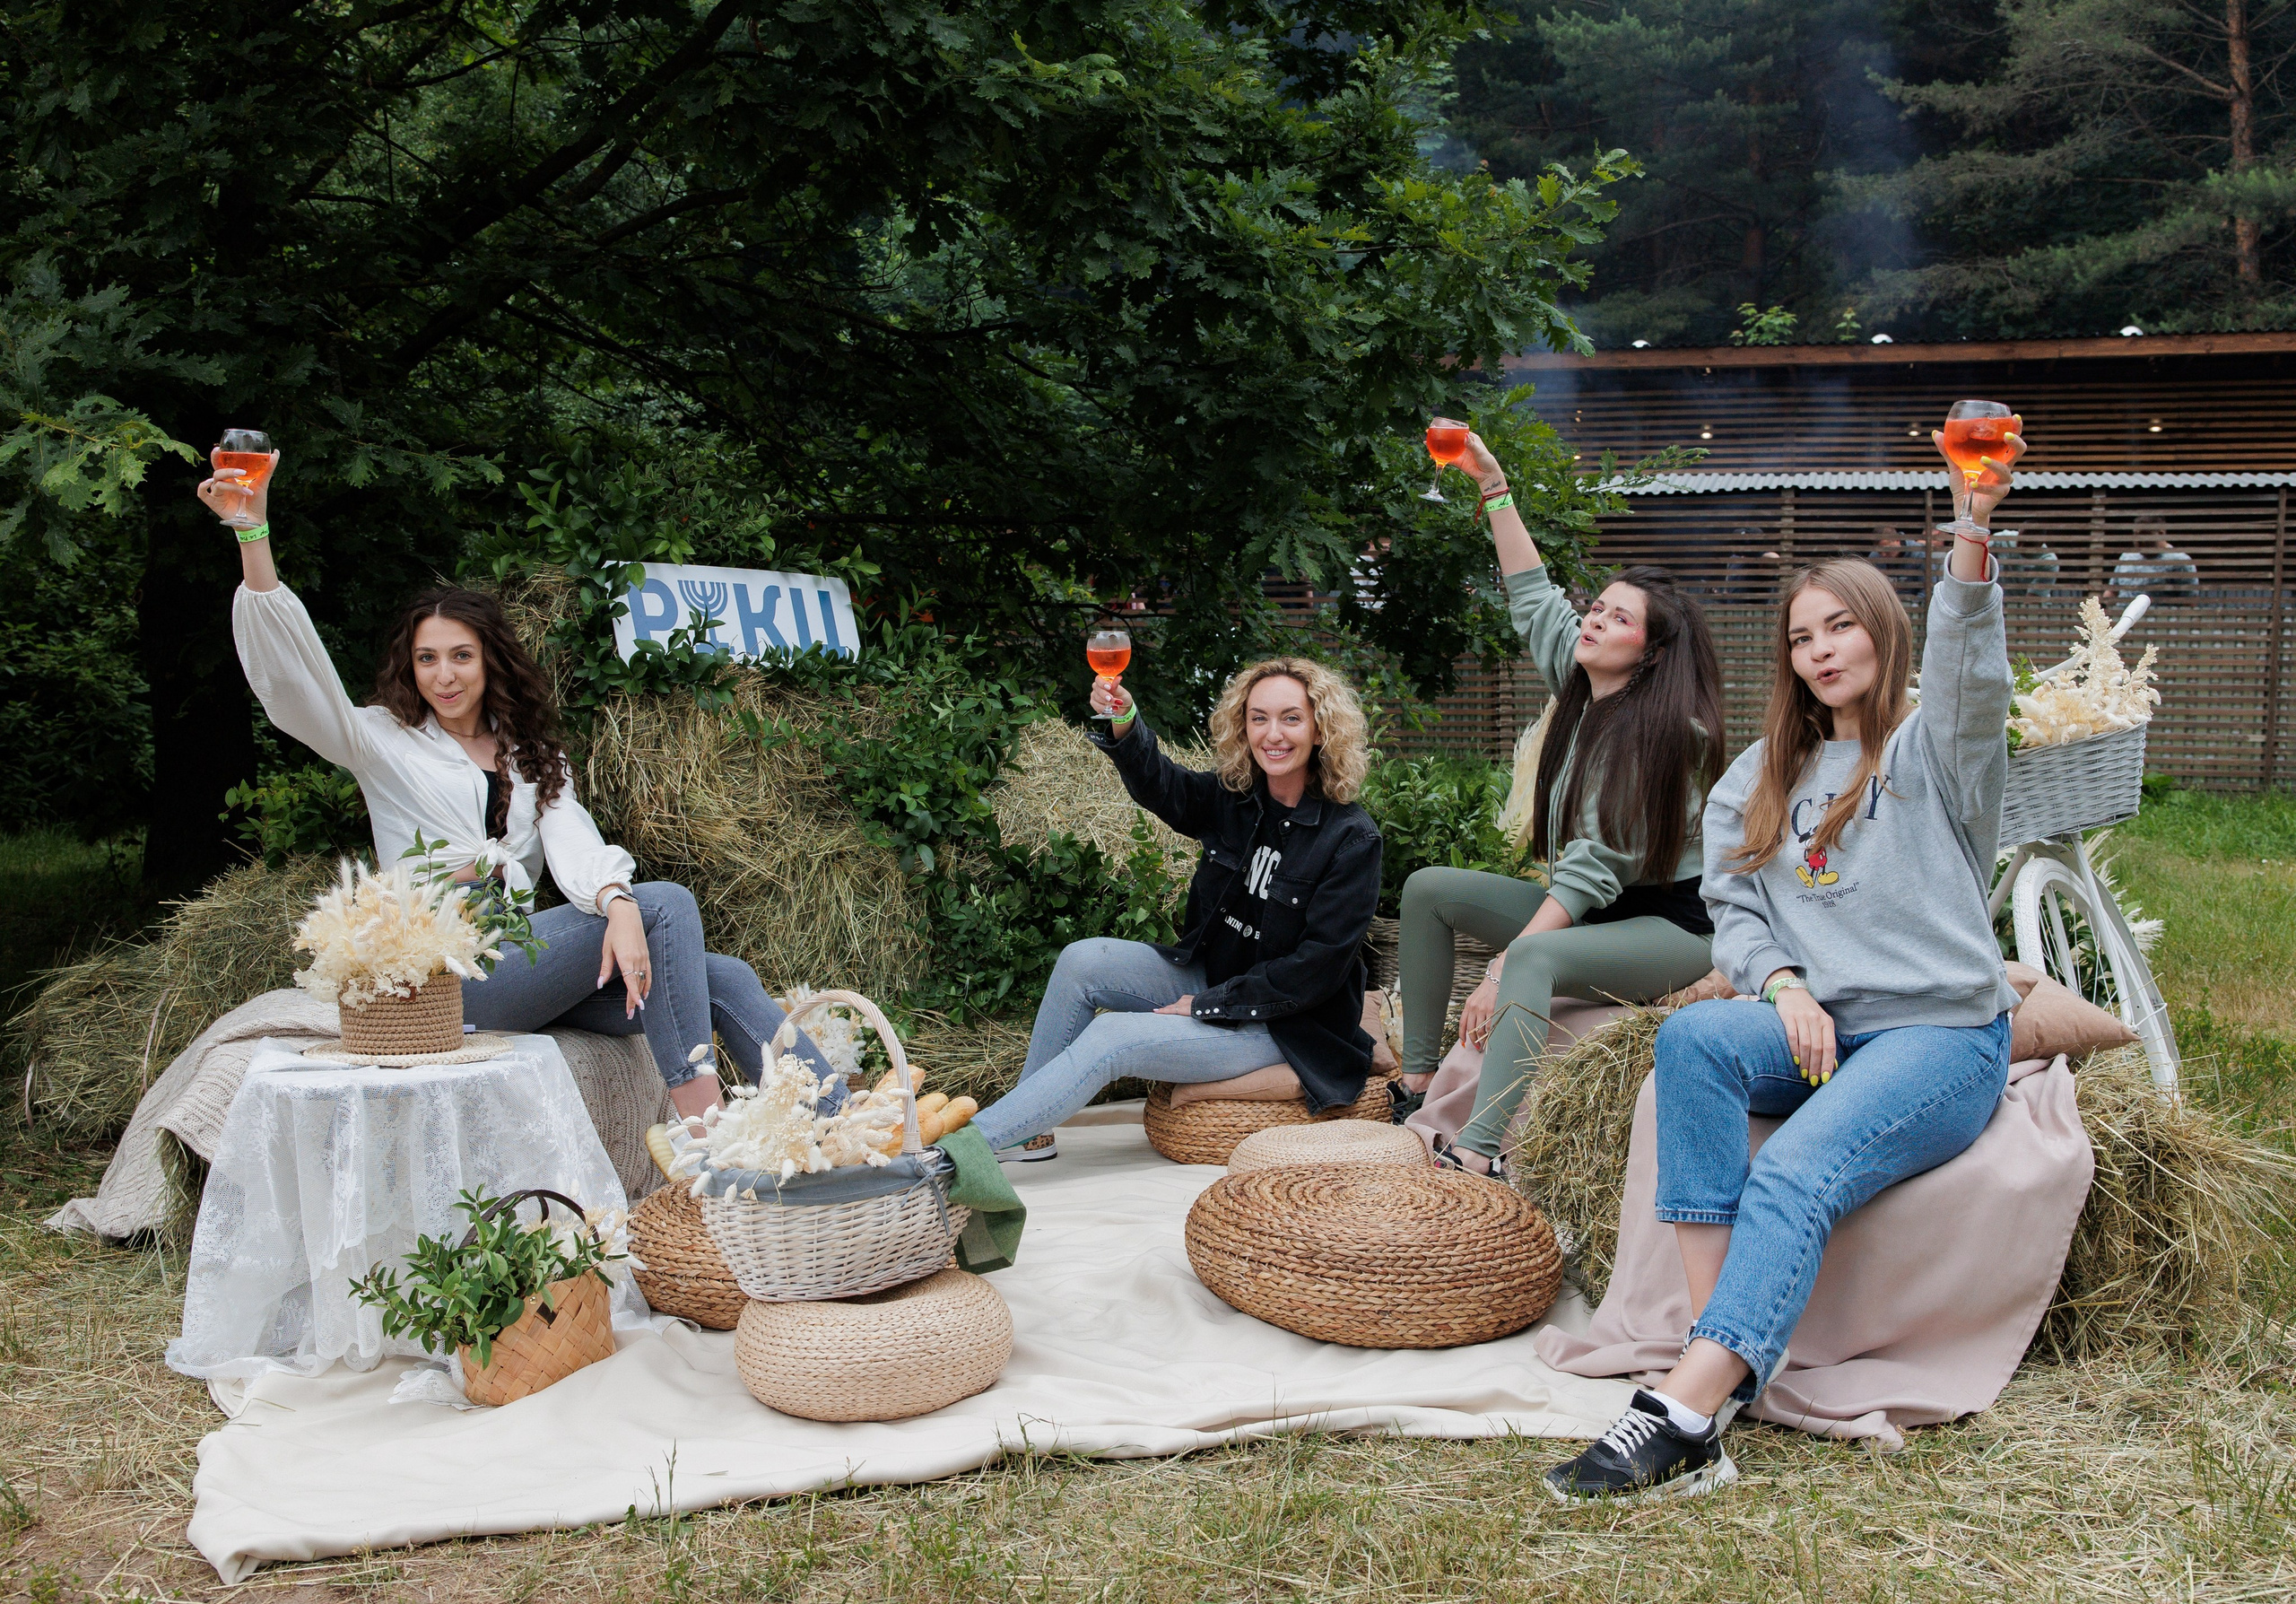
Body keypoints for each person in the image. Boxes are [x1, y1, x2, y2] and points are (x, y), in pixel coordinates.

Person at [1544, 423, 2026, 1502]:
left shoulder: (1932, 749)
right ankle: (1719, 1375)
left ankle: (1678, 1406)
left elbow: (1968, 671)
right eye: (1801, 635)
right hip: (1822, 1019)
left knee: (1798, 1170)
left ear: (1882, 633)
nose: (1819, 648)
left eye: (1841, 625)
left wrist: (1971, 526)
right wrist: (1779, 983)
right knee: (1694, 1037)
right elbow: (1733, 901)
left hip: (1938, 1037)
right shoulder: (1766, 771)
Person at [200, 453, 831, 1120]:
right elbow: (300, 688)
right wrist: (253, 537)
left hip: (523, 965)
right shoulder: (380, 740)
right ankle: (708, 1139)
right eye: (427, 658)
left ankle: (841, 1124)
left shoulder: (531, 754)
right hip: (449, 979)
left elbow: (574, 843)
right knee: (666, 902)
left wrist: (616, 899)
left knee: (722, 976)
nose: (444, 675)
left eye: (461, 656)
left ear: (490, 661)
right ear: (409, 667)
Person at [1396, 423, 1723, 1176]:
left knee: (1535, 955)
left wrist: (1502, 967)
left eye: (1617, 619)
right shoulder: (1586, 685)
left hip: (1670, 926)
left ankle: (1479, 1155)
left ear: (1650, 653)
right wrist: (1492, 485)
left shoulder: (1672, 734)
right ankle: (1413, 1087)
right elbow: (1534, 598)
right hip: (1597, 914)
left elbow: (1588, 874)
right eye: (1597, 608)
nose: (1595, 621)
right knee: (1427, 891)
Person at [970, 658, 1383, 1161]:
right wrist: (1125, 723)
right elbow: (1164, 787)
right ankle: (1024, 1130)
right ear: (1243, 726)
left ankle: (961, 1150)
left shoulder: (1351, 838)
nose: (1273, 734)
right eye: (1259, 718)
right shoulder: (1237, 798)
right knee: (1082, 960)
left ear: (1321, 729)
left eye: (1291, 718)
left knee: (1113, 1036)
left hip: (1283, 1026)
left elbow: (1313, 973)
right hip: (1214, 980)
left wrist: (1210, 1005)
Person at [2109, 519, 2199, 604]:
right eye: (2136, 534)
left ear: (2161, 533)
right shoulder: (2127, 557)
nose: (2138, 540)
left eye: (2144, 534)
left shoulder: (2180, 561)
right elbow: (2112, 592)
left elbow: (2189, 601)